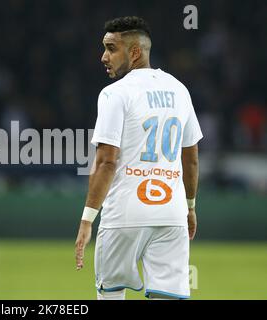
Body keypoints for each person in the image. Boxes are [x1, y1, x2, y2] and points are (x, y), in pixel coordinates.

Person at [74, 16, 203, 300]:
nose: (103, 56)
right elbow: (191, 158)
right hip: (171, 214)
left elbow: (107, 162)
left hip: (124, 214)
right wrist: (190, 206)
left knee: (111, 295)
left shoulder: (115, 94)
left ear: (134, 52)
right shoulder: (180, 90)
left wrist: (86, 220)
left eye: (111, 48)